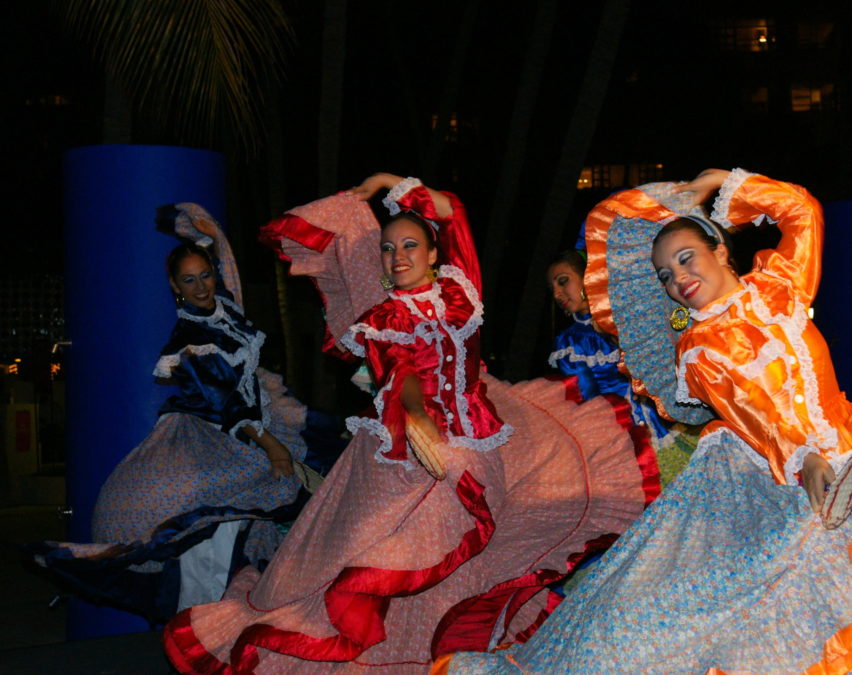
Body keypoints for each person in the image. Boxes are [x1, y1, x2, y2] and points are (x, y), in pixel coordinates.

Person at [439, 169, 852, 674]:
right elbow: (765, 427)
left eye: (685, 258)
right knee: (696, 615)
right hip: (784, 489)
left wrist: (723, 184)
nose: (678, 279)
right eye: (666, 276)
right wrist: (811, 469)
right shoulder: (700, 349)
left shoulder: (779, 283)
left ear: (721, 249)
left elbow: (800, 209)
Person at [163, 175, 657, 673]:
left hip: (473, 436)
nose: (397, 256)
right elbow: (401, 376)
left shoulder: (460, 290)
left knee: (462, 560)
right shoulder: (385, 317)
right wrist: (418, 419)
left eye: (409, 245)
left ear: (432, 253)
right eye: (386, 248)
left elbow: (451, 209)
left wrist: (388, 184)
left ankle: (439, 651)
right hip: (401, 455)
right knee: (383, 560)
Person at [31, 204, 339, 623]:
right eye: (189, 281)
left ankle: (238, 615)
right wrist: (273, 447)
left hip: (252, 426)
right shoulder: (192, 337)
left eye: (205, 276)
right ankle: (202, 622)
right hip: (215, 436)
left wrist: (211, 236)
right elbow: (224, 403)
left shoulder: (224, 311)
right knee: (207, 528)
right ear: (175, 287)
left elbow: (228, 278)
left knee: (236, 526)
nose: (201, 287)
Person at [547, 249, 694, 487]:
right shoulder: (570, 342)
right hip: (619, 438)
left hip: (666, 420)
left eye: (563, 281)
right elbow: (588, 398)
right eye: (552, 288)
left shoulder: (625, 315)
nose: (556, 293)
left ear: (588, 276)